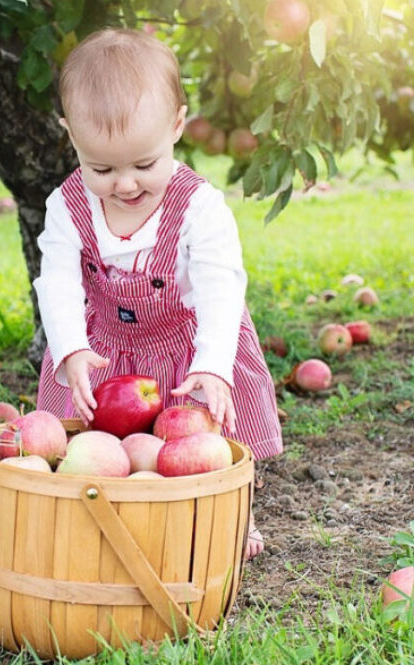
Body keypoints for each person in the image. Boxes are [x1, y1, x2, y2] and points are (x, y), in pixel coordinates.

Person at [33, 27, 282, 560]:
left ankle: (232, 514)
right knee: (93, 443)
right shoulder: (67, 206)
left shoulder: (199, 206)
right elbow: (56, 279)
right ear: (70, 137)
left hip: (186, 347)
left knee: (205, 440)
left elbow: (222, 286)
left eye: (144, 165)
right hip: (105, 347)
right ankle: (100, 512)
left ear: (176, 127)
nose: (125, 185)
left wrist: (214, 364)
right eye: (101, 168)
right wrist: (72, 349)